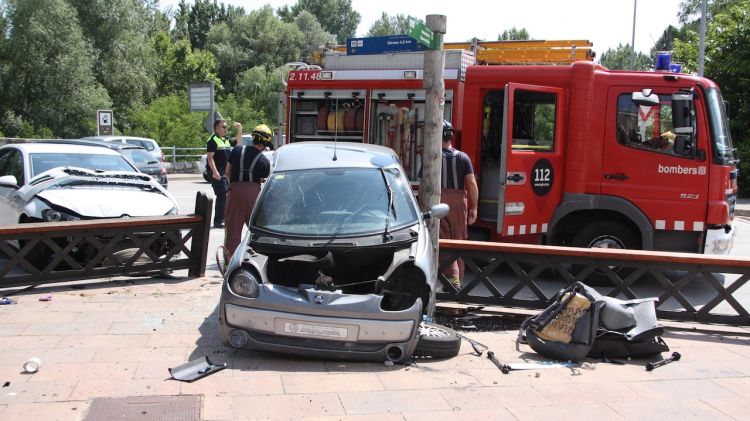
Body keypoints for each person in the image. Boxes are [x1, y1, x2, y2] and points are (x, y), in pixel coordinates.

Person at [439, 120, 478, 289]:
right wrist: (474, 207)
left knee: (443, 242)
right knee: (459, 241)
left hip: (439, 199)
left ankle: (452, 283)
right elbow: (471, 183)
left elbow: (425, 181)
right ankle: (458, 280)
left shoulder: (432, 157)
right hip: (459, 201)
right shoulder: (463, 157)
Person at [223, 124, 272, 258]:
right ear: (265, 142)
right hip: (253, 194)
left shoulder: (237, 150)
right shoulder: (264, 161)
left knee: (232, 230)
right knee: (257, 229)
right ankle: (256, 257)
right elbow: (263, 178)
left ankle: (229, 262)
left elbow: (228, 171)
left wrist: (233, 185)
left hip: (234, 192)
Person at [206, 118, 241, 228]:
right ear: (217, 128)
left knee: (227, 194)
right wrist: (215, 172)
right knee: (222, 195)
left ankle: (225, 218)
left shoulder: (225, 139)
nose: (226, 129)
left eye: (226, 127)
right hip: (217, 170)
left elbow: (238, 142)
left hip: (225, 170)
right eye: (224, 127)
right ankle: (218, 221)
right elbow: (210, 158)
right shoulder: (213, 140)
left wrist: (239, 129)